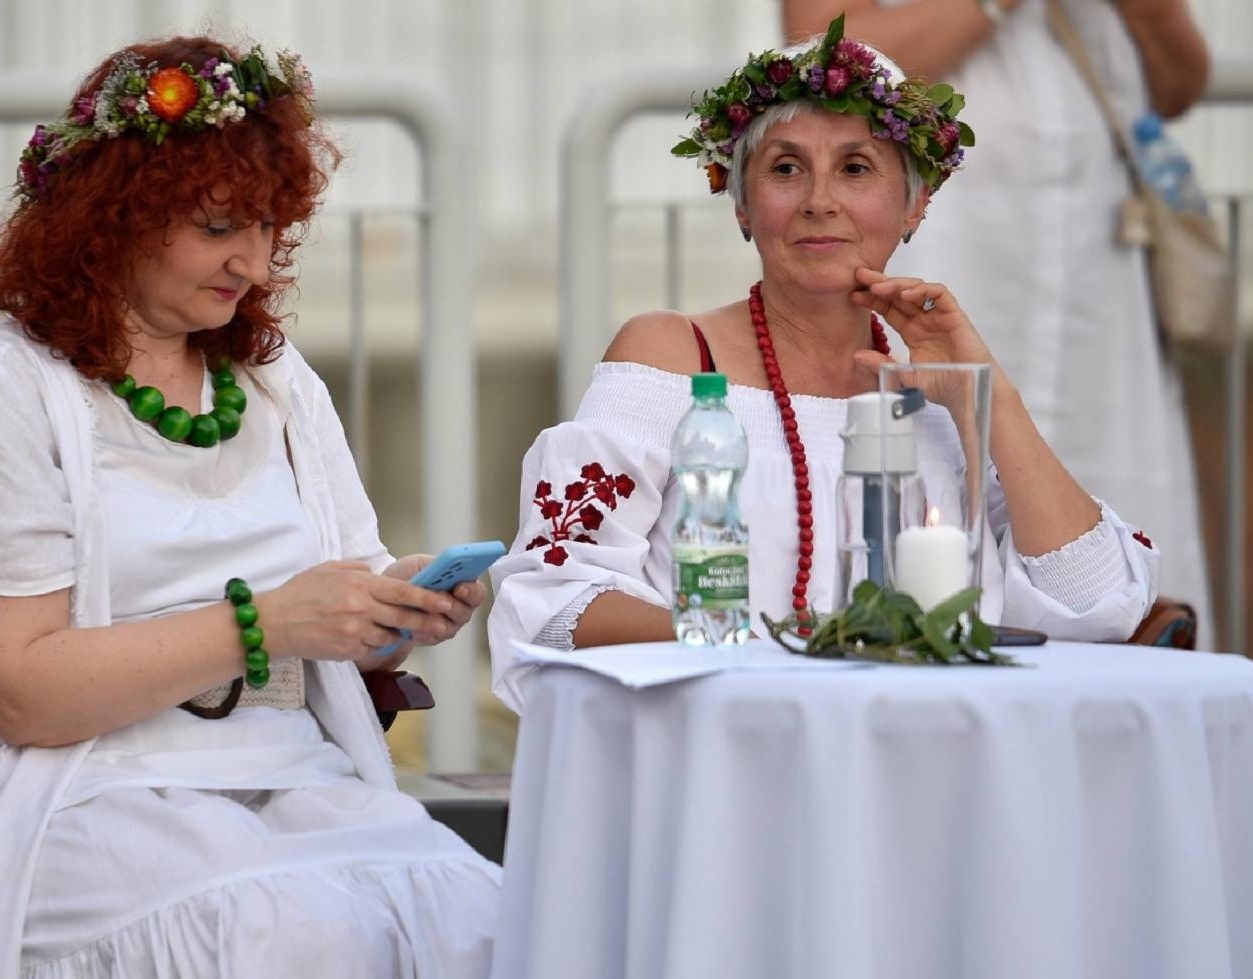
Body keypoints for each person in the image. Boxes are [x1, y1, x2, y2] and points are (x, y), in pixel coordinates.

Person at [0, 35, 498, 979]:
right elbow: (23, 695)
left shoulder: (278, 381)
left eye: (271, 225)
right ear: (110, 221)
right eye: (219, 226)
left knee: (477, 912)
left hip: (286, 771)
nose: (254, 259)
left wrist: (393, 614)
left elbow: (339, 628)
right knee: (287, 934)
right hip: (73, 791)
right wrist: (264, 622)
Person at [488, 21, 1160, 710]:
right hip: (717, 749)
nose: (819, 200)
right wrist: (776, 657)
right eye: (785, 168)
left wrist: (986, 394)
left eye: (855, 167)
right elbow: (557, 598)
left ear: (915, 205)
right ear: (742, 205)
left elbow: (1099, 601)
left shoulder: (938, 396)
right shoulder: (673, 358)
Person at [784, 0, 1214, 643]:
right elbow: (818, 54)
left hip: (1095, 286)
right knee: (942, 475)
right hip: (950, 252)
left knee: (1116, 500)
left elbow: (1180, 86)